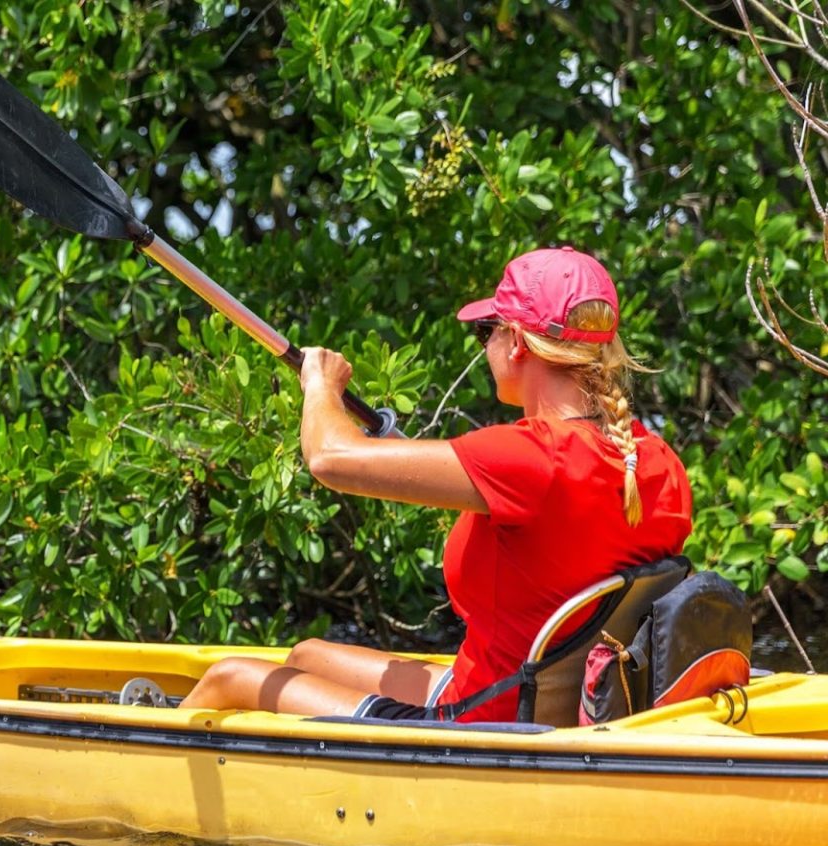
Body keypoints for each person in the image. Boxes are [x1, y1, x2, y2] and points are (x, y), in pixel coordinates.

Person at [179, 247, 693, 722]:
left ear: (517, 342)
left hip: (480, 723)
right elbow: (551, 535)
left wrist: (320, 384)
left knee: (230, 678)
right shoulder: (655, 461)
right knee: (306, 655)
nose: (485, 344)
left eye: (487, 331)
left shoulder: (530, 456)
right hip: (539, 700)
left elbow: (328, 457)